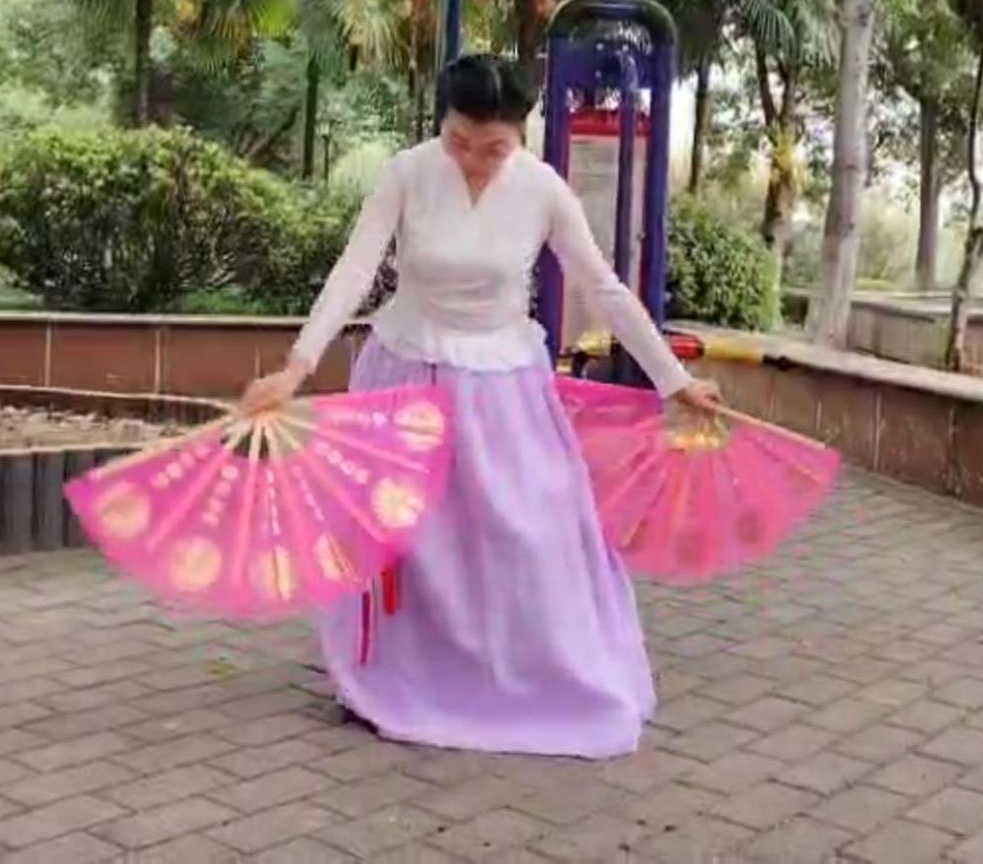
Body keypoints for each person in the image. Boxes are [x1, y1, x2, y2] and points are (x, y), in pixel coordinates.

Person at [239, 53, 723, 760]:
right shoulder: (408, 173)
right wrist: (297, 366)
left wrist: (673, 381)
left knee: (524, 529)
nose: (472, 159)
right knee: (413, 541)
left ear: (519, 133)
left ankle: (525, 670)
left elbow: (604, 287)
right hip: (406, 371)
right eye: (459, 141)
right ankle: (401, 671)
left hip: (501, 385)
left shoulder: (543, 189)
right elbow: (355, 269)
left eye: (492, 147)